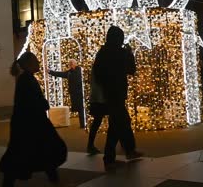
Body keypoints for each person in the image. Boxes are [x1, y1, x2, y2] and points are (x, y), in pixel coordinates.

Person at [0, 52, 67, 187]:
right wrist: (44, 104)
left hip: (27, 124)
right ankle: (55, 180)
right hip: (31, 125)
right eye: (36, 61)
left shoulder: (25, 78)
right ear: (29, 64)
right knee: (42, 152)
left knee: (33, 154)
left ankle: (54, 180)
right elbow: (32, 102)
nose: (38, 64)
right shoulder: (27, 79)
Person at [93, 26, 142, 170]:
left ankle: (122, 153)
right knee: (121, 122)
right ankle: (121, 153)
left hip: (109, 93)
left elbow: (97, 72)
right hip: (116, 93)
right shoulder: (120, 52)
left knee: (118, 123)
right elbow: (131, 70)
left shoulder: (102, 52)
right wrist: (129, 53)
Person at [48, 59, 85, 128]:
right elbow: (61, 74)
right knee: (79, 108)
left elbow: (78, 78)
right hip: (74, 93)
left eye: (71, 63)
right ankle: (83, 124)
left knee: (81, 108)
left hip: (80, 93)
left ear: (75, 64)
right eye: (69, 63)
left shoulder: (79, 70)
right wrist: (51, 72)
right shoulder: (69, 72)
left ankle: (83, 124)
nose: (70, 64)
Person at [86, 68, 107, 155]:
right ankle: (90, 145)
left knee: (97, 121)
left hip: (98, 98)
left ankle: (90, 145)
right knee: (98, 121)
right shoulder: (101, 67)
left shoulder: (97, 67)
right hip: (101, 98)